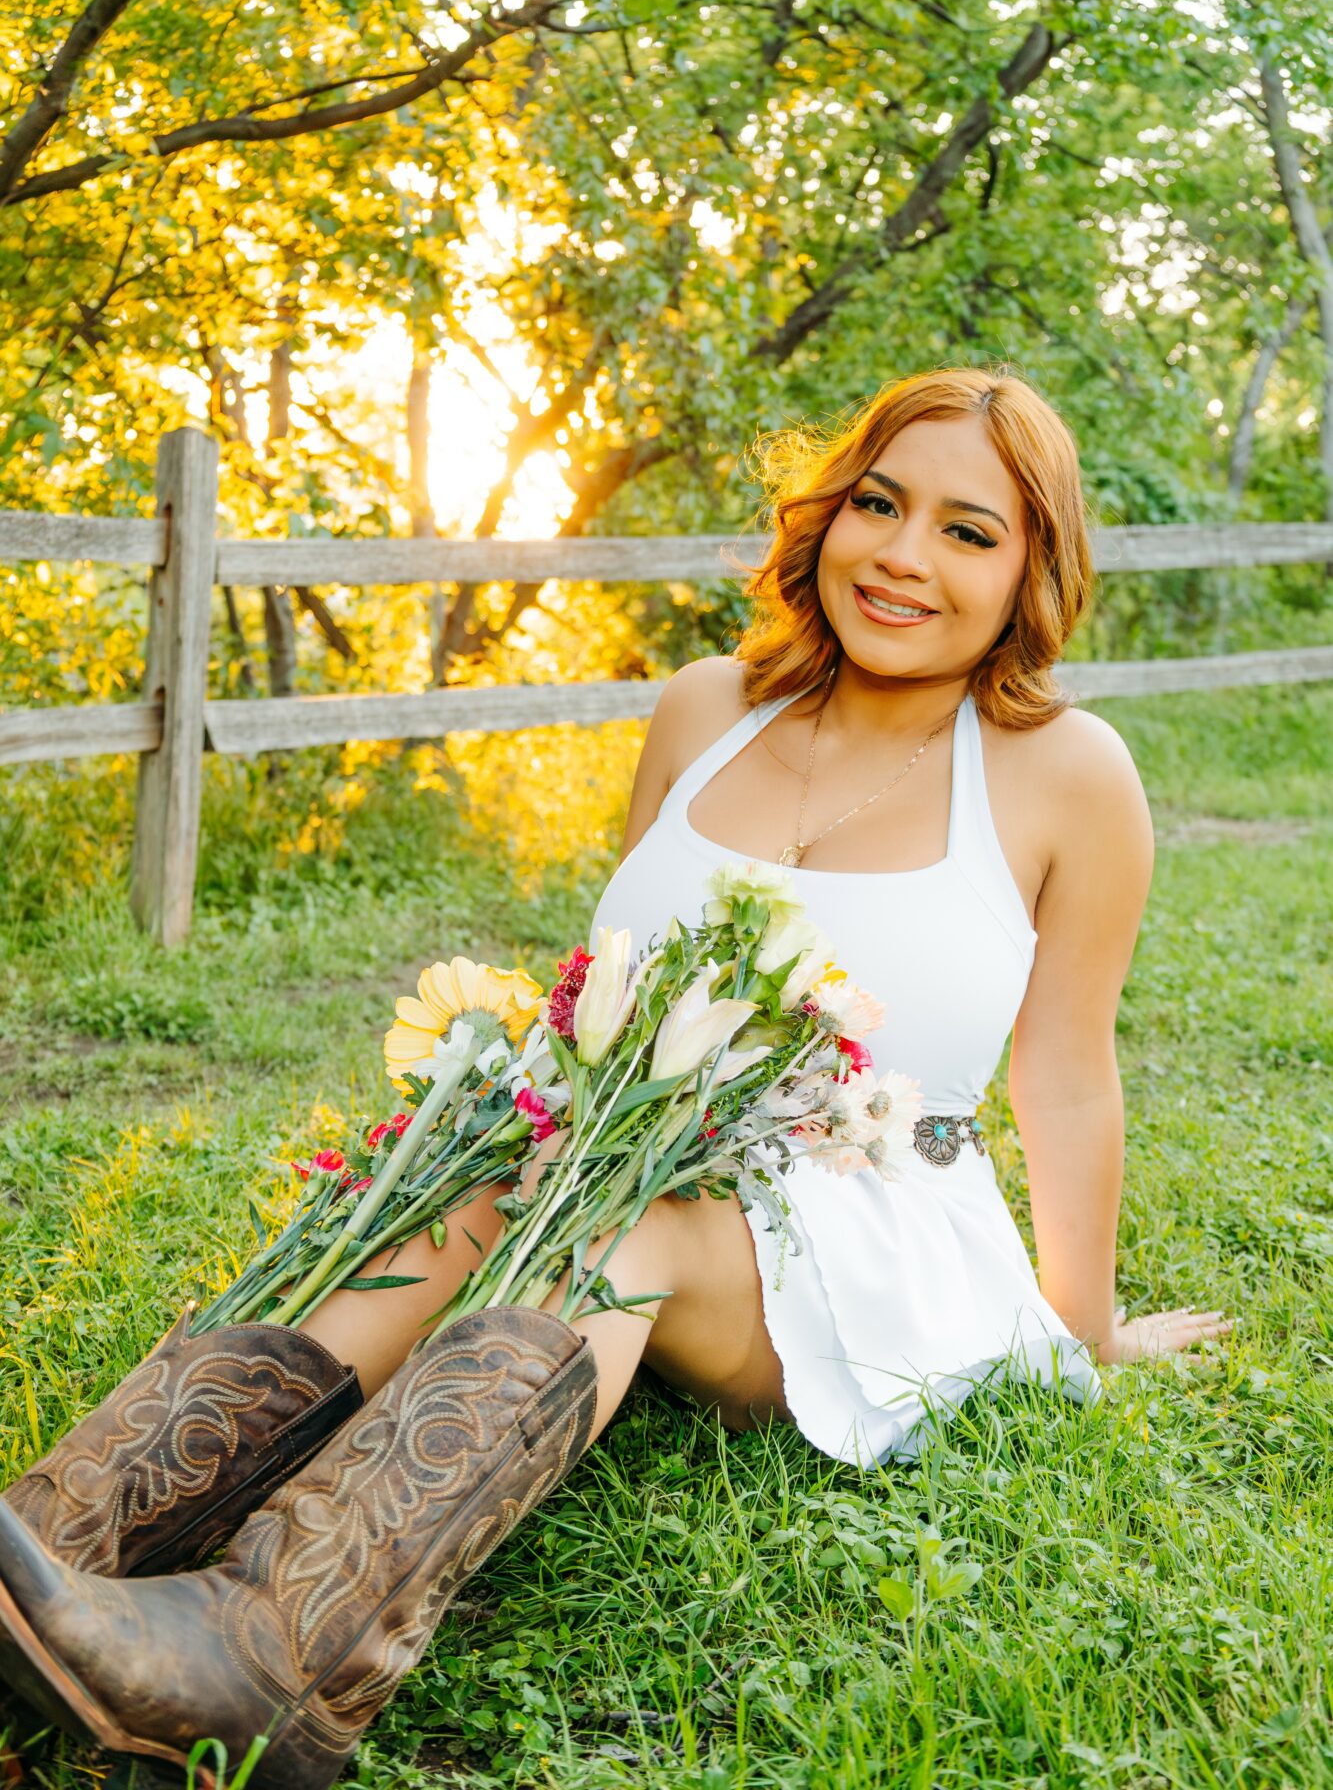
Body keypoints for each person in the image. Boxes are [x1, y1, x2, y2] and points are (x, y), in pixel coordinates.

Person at [0, 367, 1232, 1788]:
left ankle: (271, 1657)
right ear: (827, 516)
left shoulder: (1066, 772)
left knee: (620, 1223)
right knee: (452, 1196)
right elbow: (615, 979)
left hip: (850, 1235)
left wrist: (1075, 1336)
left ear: (1031, 569)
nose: (901, 556)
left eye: (968, 531)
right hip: (614, 1155)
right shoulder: (709, 705)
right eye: (879, 505)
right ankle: (64, 1534)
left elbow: (1067, 1078)